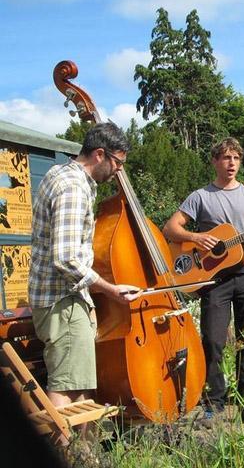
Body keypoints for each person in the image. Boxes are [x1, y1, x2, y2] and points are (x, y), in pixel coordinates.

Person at [28, 122, 141, 416]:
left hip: (64, 300)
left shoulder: (61, 175)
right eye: (118, 163)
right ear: (100, 154)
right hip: (61, 301)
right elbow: (66, 258)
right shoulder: (73, 188)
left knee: (78, 383)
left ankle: (82, 452)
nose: (119, 170)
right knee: (66, 388)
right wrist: (110, 289)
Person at [162, 137, 244, 423]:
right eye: (225, 158)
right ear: (214, 161)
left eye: (236, 158)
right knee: (212, 340)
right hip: (214, 279)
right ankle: (214, 402)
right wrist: (196, 237)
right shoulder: (200, 197)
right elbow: (170, 228)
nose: (231, 163)